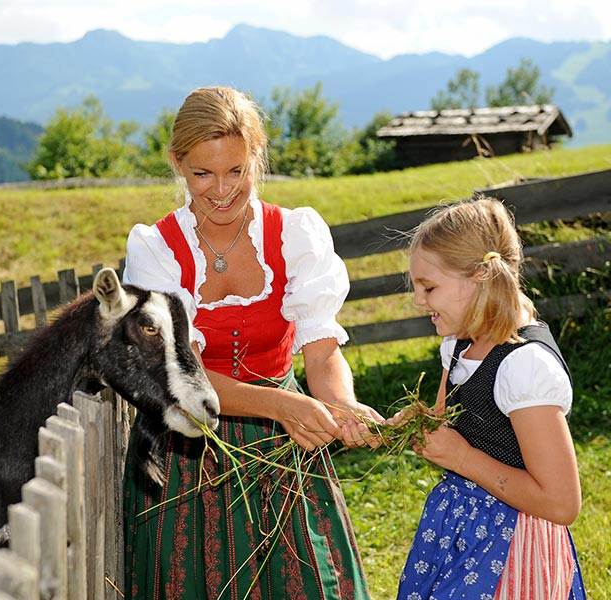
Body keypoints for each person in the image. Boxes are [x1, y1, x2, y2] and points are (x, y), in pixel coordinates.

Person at [121, 86, 379, 599]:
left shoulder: (295, 234)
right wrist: (280, 406)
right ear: (177, 163)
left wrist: (341, 403)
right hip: (187, 455)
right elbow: (183, 379)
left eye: (236, 171)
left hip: (282, 448)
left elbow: (321, 349)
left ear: (257, 157)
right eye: (203, 173)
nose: (221, 190)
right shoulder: (156, 250)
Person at [390, 197, 585, 599]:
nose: (419, 300)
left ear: (480, 276)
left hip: (513, 543)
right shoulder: (459, 343)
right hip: (459, 528)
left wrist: (462, 459)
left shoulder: (523, 367)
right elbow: (446, 422)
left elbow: (561, 503)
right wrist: (403, 426)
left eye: (429, 287)